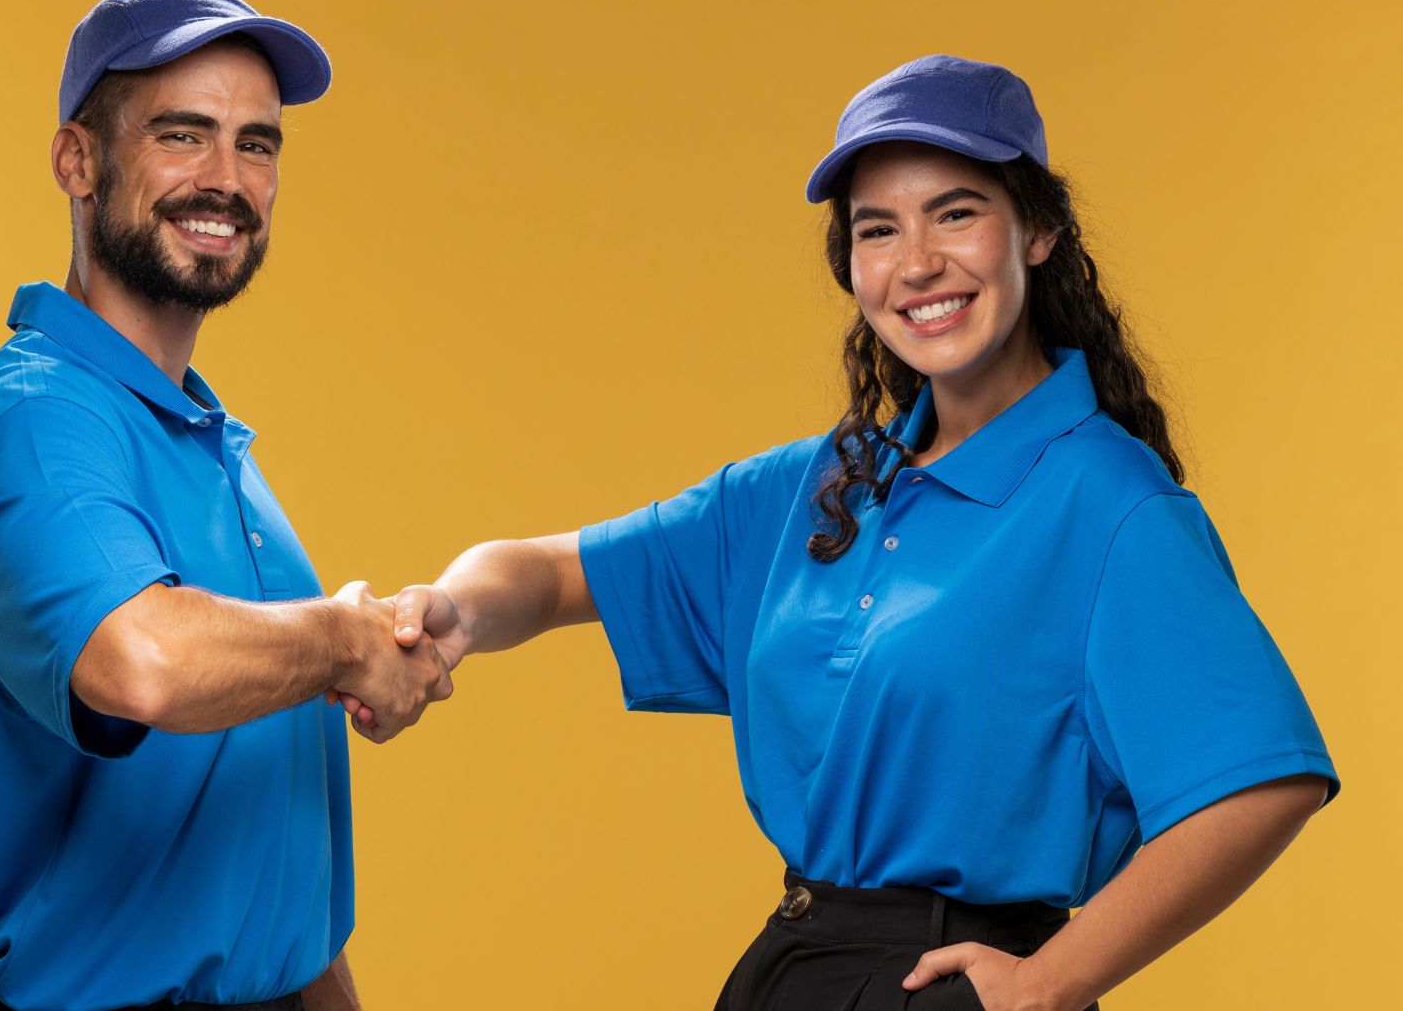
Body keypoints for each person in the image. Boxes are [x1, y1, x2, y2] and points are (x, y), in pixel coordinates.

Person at [358, 55, 1339, 1010]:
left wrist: (1050, 981)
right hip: (796, 967)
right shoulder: (820, 486)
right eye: (879, 230)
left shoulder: (1109, 504)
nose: (917, 264)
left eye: (956, 213)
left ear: (1038, 230)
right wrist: (450, 613)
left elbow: (1263, 779)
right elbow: (548, 573)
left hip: (946, 984)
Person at [0, 0, 452, 1011]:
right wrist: (346, 640)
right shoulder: (34, 418)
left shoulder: (206, 441)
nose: (227, 180)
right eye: (182, 134)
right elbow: (144, 661)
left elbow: (260, 855)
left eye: (257, 145)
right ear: (78, 161)